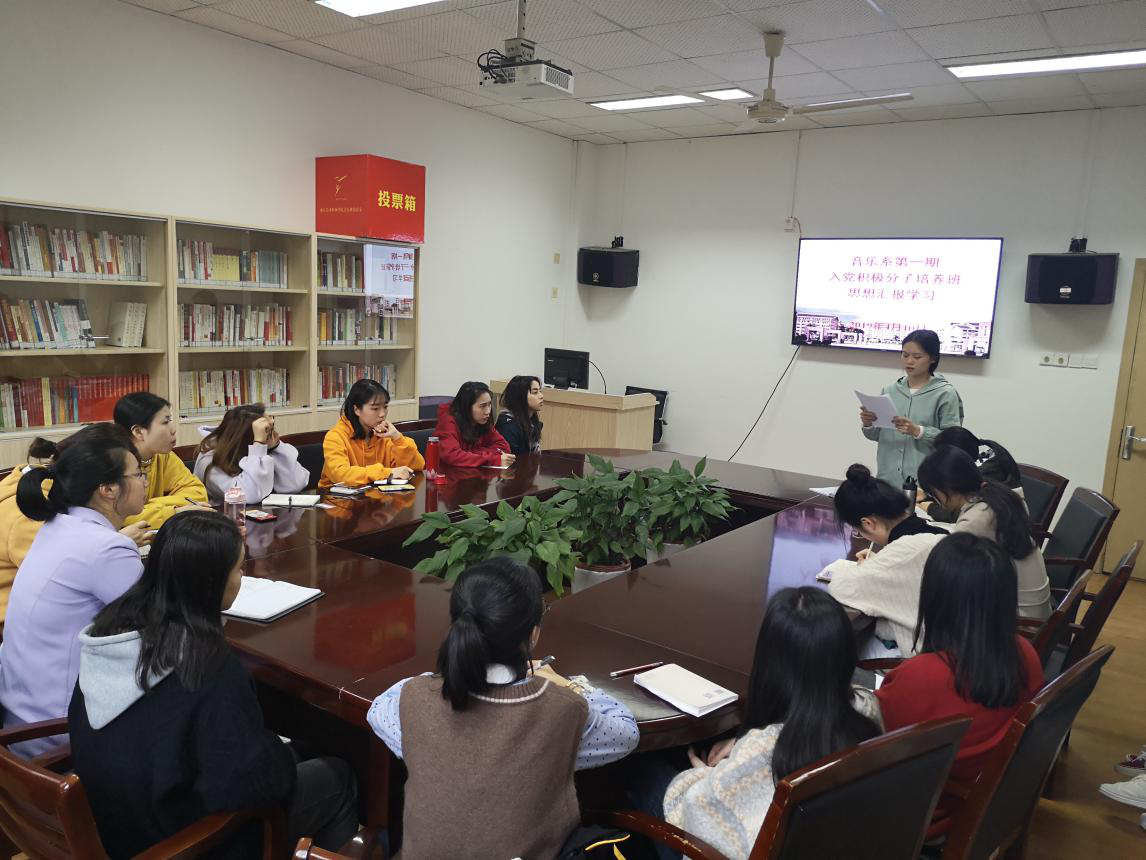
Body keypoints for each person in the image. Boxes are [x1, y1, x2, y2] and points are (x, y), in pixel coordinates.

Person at [69, 511, 359, 859]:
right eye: (238, 568)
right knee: (337, 775)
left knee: (297, 751)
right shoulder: (206, 664)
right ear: (210, 582)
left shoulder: (108, 633)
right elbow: (248, 788)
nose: (243, 575)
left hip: (115, 822)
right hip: (187, 843)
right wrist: (274, 751)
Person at [367, 557, 639, 860]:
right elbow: (626, 732)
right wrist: (573, 686)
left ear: (457, 626)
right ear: (533, 634)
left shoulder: (414, 696)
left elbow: (378, 709)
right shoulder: (563, 710)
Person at [653, 588, 880, 860]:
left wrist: (705, 775)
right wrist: (739, 745)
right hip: (841, 845)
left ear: (769, 663)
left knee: (643, 772)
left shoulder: (762, 749)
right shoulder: (868, 710)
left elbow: (696, 809)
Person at [876, 533, 1043, 837]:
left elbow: (875, 747)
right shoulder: (1026, 654)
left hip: (925, 813)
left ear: (934, 596)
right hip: (984, 801)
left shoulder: (918, 677)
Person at [0, 426, 147, 742]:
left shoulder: (58, 525)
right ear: (108, 489)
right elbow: (162, 627)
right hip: (58, 733)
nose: (145, 482)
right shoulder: (107, 548)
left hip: (20, 720)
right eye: (138, 474)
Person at [825, 464, 947, 657]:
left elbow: (841, 587)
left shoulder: (902, 551)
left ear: (868, 523)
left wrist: (870, 568)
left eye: (858, 531)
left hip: (933, 657)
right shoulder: (938, 533)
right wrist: (879, 564)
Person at [918, 447, 1052, 620]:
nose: (934, 498)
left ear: (946, 488)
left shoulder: (975, 522)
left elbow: (956, 577)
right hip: (1037, 608)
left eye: (933, 492)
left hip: (1021, 620)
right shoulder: (1000, 493)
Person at [860, 329, 964, 491]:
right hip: (888, 479)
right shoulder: (890, 390)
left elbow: (953, 441)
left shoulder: (945, 393)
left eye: (917, 357)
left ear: (933, 358)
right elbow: (875, 435)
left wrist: (918, 431)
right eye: (905, 355)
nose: (909, 361)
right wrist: (868, 423)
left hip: (925, 482)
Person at [114, 392, 208, 526]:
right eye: (165, 422)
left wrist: (151, 507)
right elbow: (120, 516)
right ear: (138, 432)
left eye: (170, 421)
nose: (173, 430)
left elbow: (198, 493)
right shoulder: (114, 462)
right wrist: (172, 512)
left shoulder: (162, 455)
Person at [194, 404, 309, 504]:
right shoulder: (210, 459)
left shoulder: (264, 446)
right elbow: (249, 496)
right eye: (266, 430)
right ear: (247, 437)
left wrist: (276, 446)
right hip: (225, 518)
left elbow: (295, 484)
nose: (272, 433)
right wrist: (258, 445)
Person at [319, 379, 424, 488]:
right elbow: (341, 475)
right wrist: (387, 473)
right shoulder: (335, 436)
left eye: (385, 407)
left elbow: (417, 466)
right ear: (357, 410)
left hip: (375, 495)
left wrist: (397, 437)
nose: (382, 414)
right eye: (375, 408)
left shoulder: (385, 435)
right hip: (336, 496)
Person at [923, 428, 1023, 523]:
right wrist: (928, 495)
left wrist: (930, 508)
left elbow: (968, 512)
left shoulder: (986, 474)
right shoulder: (984, 460)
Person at [434, 381, 514, 469]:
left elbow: (503, 446)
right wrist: (492, 459)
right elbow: (452, 455)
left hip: (474, 473)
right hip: (448, 474)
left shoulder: (482, 420)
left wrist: (473, 454)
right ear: (467, 407)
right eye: (482, 406)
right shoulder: (448, 421)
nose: (488, 411)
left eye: (489, 404)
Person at [494, 375, 544, 456]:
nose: (541, 396)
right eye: (535, 392)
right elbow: (513, 460)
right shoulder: (508, 428)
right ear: (520, 396)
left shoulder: (531, 420)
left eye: (540, 391)